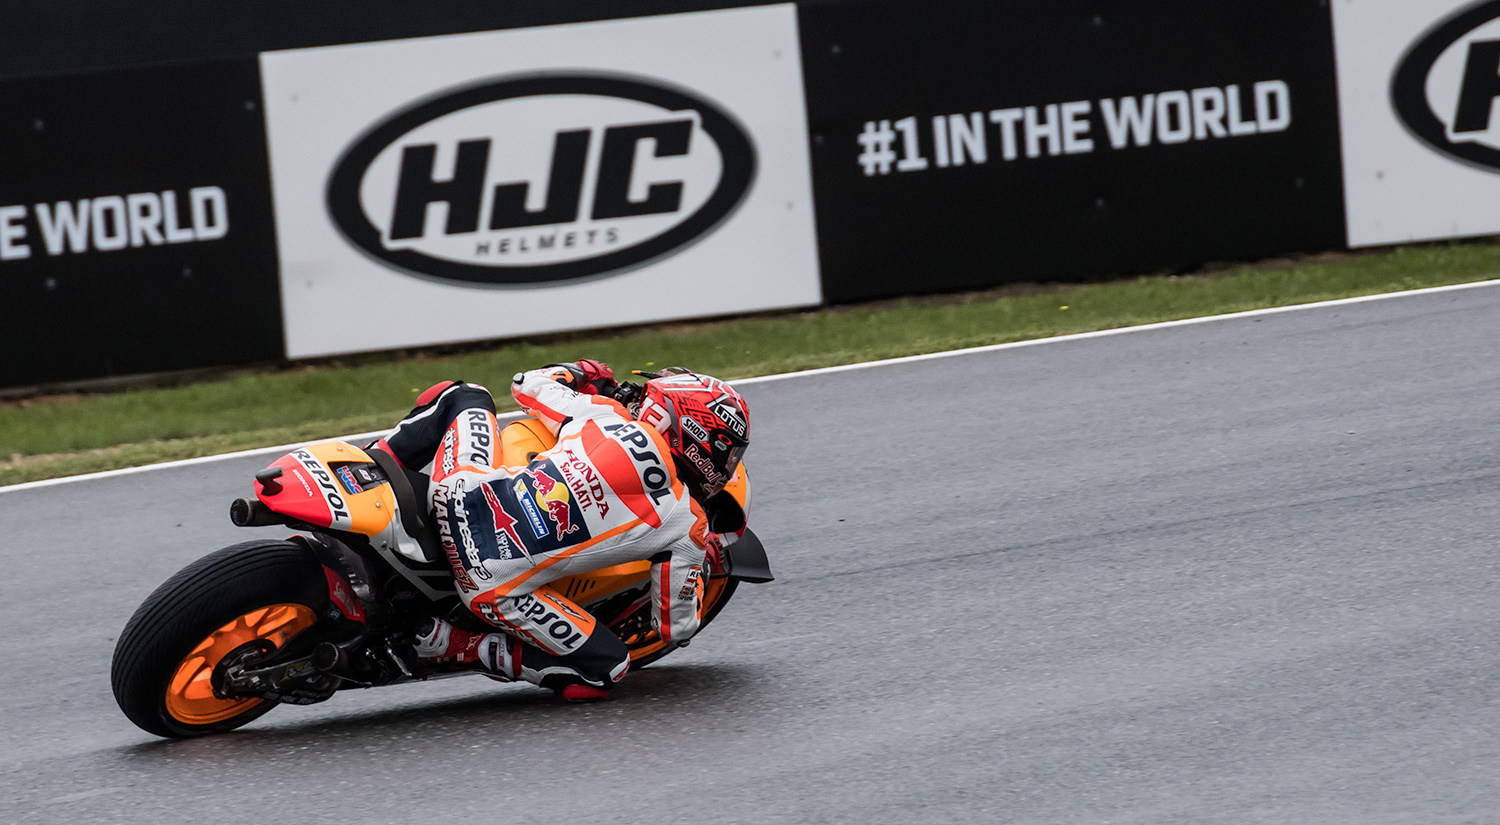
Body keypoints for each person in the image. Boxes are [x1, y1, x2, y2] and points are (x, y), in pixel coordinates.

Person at [370, 360, 749, 701]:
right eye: (728, 454)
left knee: (464, 395)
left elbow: (526, 382)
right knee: (609, 666)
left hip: (456, 494)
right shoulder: (689, 526)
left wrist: (583, 372)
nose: (728, 464)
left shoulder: (604, 414)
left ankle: (373, 466)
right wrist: (700, 565)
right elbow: (676, 628)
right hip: (487, 582)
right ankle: (458, 645)